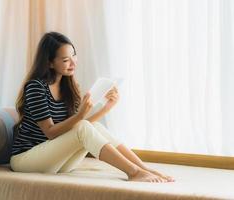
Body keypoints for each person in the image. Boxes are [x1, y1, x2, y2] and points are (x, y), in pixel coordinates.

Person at [10, 31, 174, 183]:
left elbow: (78, 127)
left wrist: (107, 107)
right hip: (26, 160)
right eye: (66, 60)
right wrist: (80, 116)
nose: (73, 62)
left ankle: (143, 168)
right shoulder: (36, 87)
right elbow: (51, 132)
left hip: (55, 162)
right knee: (83, 125)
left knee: (91, 125)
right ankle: (133, 172)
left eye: (74, 55)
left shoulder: (67, 87)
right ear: (50, 63)